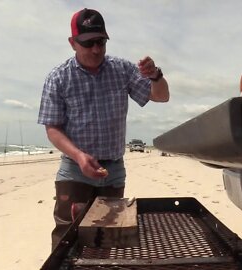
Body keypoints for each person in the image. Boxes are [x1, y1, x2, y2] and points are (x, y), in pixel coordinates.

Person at [37, 8, 169, 250]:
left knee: (108, 237)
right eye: (88, 43)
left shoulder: (123, 70)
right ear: (72, 43)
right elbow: (52, 128)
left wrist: (155, 76)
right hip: (74, 169)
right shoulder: (58, 78)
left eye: (101, 41)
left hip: (113, 170)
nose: (96, 49)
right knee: (66, 237)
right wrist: (79, 156)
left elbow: (161, 96)